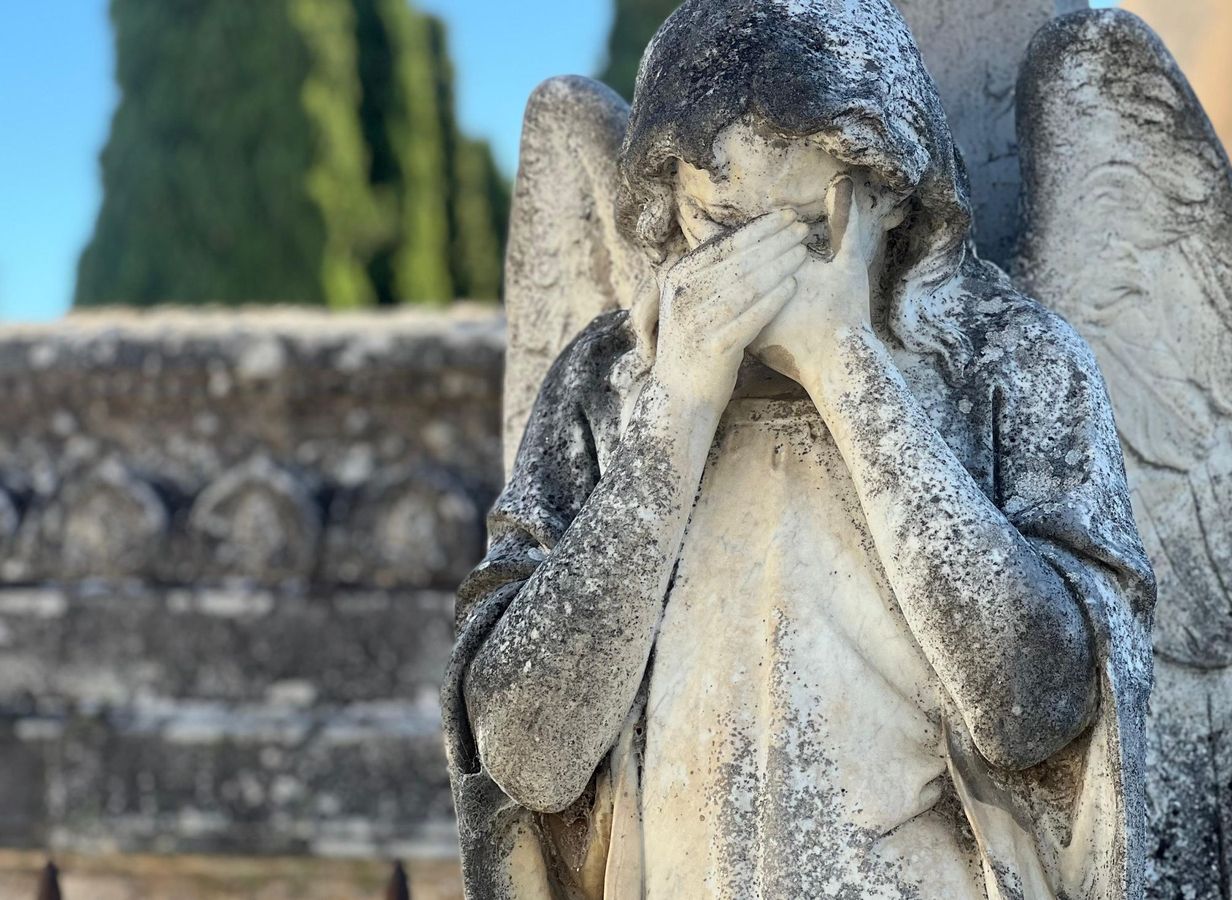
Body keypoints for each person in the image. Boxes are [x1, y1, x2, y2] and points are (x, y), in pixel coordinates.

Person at [442, 1, 1155, 897]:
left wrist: (848, 370)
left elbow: (1037, 708)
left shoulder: (1009, 363)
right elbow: (525, 754)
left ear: (891, 198)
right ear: (668, 206)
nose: (758, 275)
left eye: (804, 230)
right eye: (720, 225)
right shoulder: (606, 382)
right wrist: (677, 409)